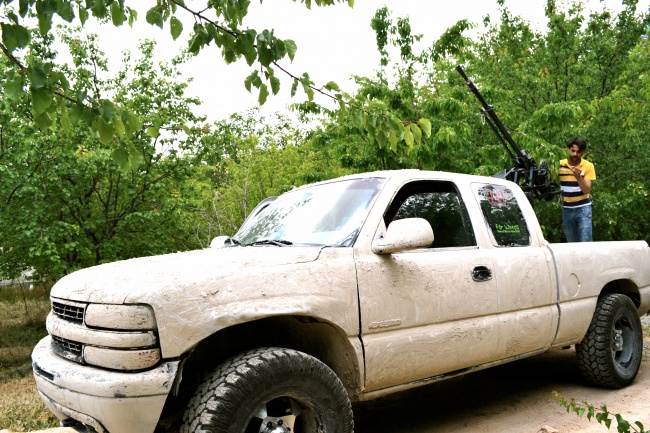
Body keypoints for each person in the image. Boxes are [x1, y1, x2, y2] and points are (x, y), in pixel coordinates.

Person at [558, 137, 596, 242]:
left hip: (583, 208)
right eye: (573, 151)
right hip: (567, 208)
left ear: (582, 152)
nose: (575, 154)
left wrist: (578, 177)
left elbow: (586, 190)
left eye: (578, 152)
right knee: (572, 243)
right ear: (568, 149)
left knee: (585, 241)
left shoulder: (588, 166)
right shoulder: (560, 164)